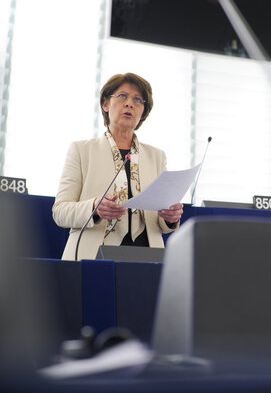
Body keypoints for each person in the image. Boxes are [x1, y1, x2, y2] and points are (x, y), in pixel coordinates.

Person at [52, 72, 183, 260]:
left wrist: (170, 217)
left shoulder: (157, 156)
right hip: (93, 256)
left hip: (148, 257)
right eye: (122, 96)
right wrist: (93, 208)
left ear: (143, 112)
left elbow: (160, 222)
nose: (130, 103)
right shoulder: (81, 150)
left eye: (138, 99)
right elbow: (60, 212)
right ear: (105, 104)